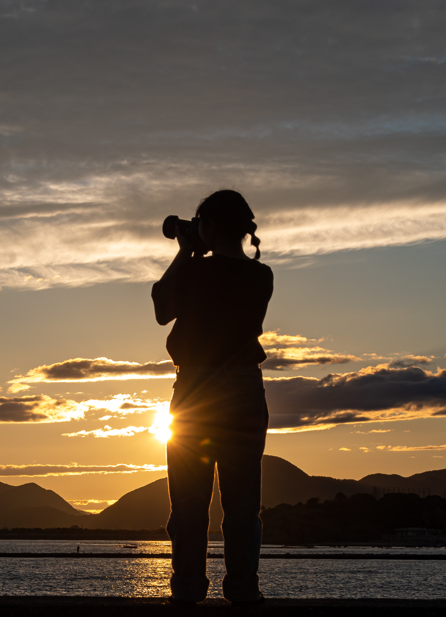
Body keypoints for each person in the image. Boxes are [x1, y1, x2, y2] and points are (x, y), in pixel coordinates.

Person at [151, 189, 272, 605]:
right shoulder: (262, 276)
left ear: (211, 226)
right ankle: (243, 590)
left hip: (196, 390)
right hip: (243, 391)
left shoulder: (196, 271)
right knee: (241, 504)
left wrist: (185, 253)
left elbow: (161, 307)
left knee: (188, 503)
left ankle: (186, 591)